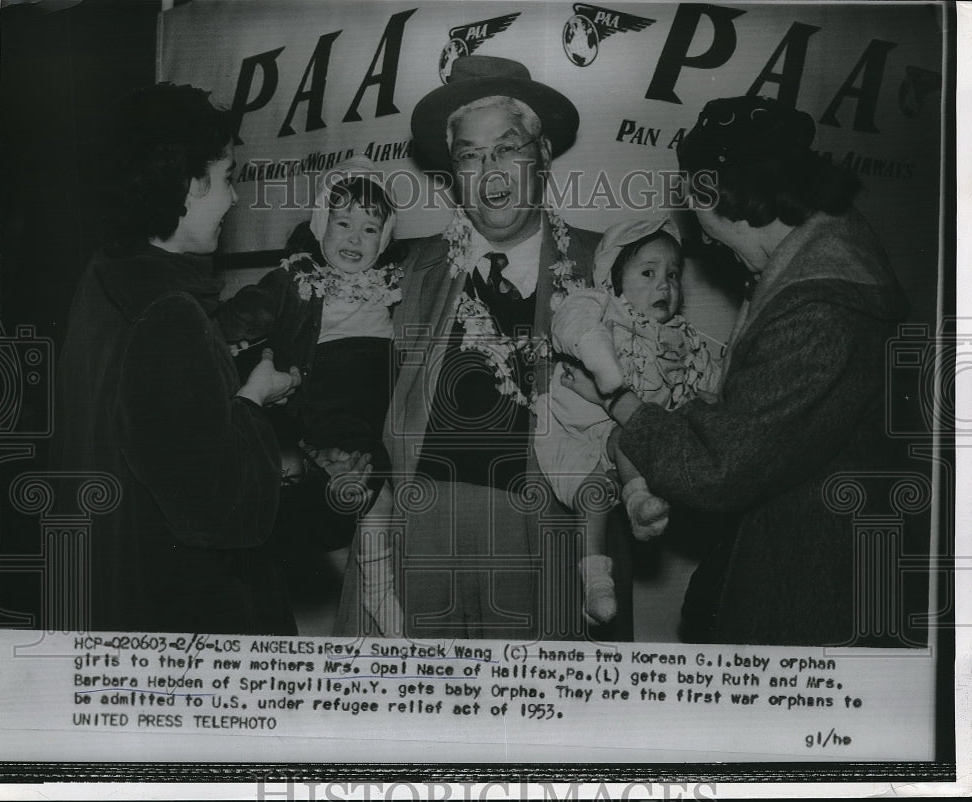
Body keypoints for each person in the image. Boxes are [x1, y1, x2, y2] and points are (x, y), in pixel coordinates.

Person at [560, 95, 912, 646]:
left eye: (697, 207)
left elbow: (715, 468)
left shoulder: (820, 312)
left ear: (720, 196)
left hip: (809, 593)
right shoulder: (822, 266)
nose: (699, 236)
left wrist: (619, 402)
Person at [375, 55, 614, 640]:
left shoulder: (605, 264)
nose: (492, 172)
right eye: (471, 156)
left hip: (552, 529)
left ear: (545, 156)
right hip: (425, 529)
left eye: (508, 149)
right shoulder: (410, 270)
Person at [51, 83, 303, 634]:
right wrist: (254, 400)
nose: (235, 199)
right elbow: (221, 510)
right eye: (229, 177)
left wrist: (217, 380)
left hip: (114, 594)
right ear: (188, 185)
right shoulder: (170, 311)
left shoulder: (106, 275)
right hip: (182, 614)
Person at [217, 157, 405, 636]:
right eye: (343, 224)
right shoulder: (297, 281)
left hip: (372, 416)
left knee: (379, 501)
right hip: (322, 409)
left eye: (369, 229)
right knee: (371, 500)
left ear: (383, 241)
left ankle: (374, 584)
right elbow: (242, 317)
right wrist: (225, 339)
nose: (354, 239)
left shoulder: (391, 291)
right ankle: (381, 596)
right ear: (321, 224)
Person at [536, 216, 722, 625]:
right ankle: (599, 579)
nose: (664, 285)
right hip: (573, 430)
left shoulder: (683, 337)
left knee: (620, 453)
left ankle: (612, 555)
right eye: (649, 273)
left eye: (673, 275)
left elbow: (706, 381)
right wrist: (599, 355)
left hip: (627, 442)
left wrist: (714, 394)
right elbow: (571, 320)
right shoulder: (603, 307)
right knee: (595, 492)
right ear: (616, 279)